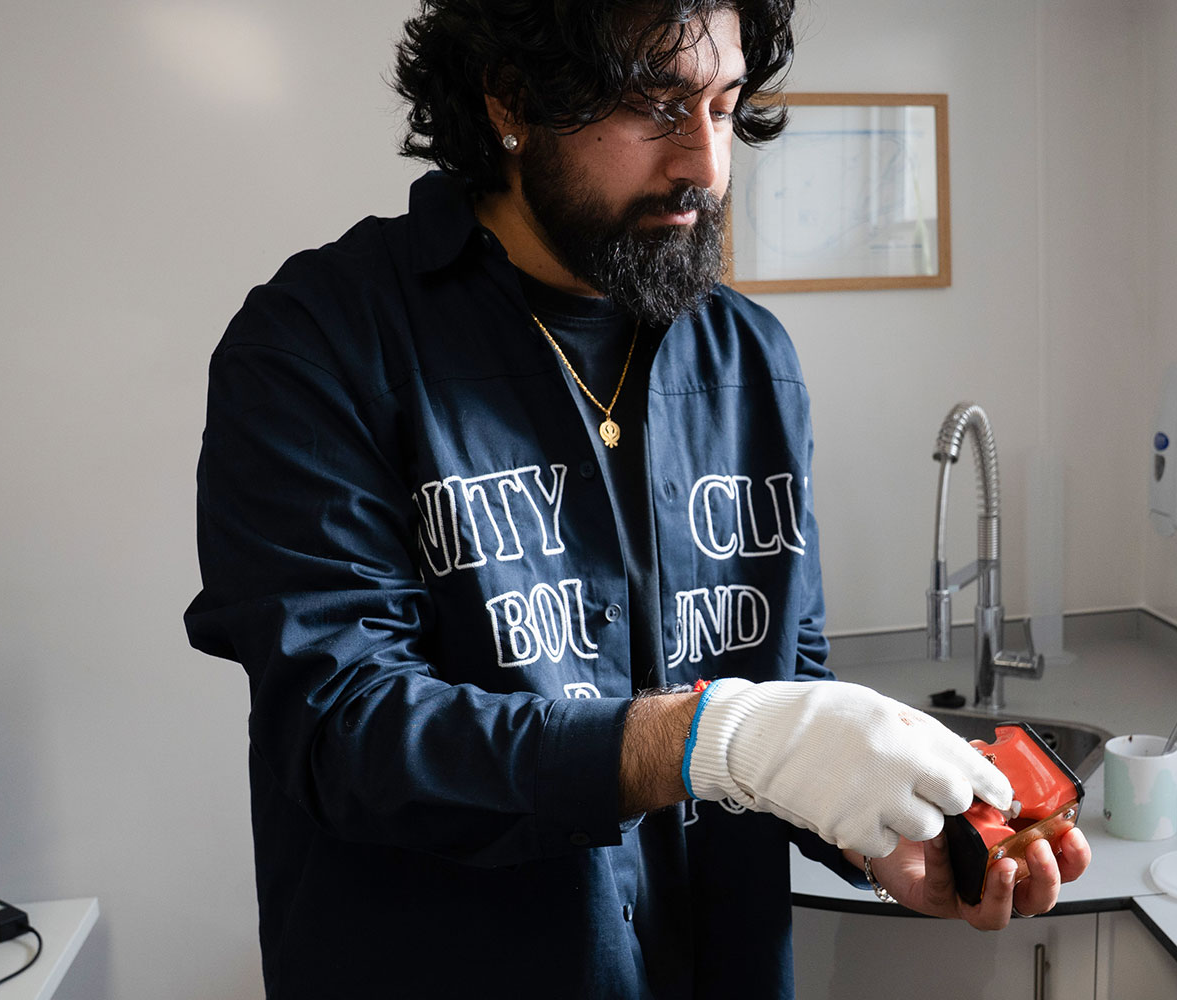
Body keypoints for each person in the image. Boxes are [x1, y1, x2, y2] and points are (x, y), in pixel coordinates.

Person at [183, 0, 1090, 996]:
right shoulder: (317, 344)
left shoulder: (750, 357)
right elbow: (344, 735)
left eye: (723, 102)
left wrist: (872, 838)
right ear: (512, 103)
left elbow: (788, 673)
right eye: (656, 106)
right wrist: (706, 738)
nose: (703, 162)